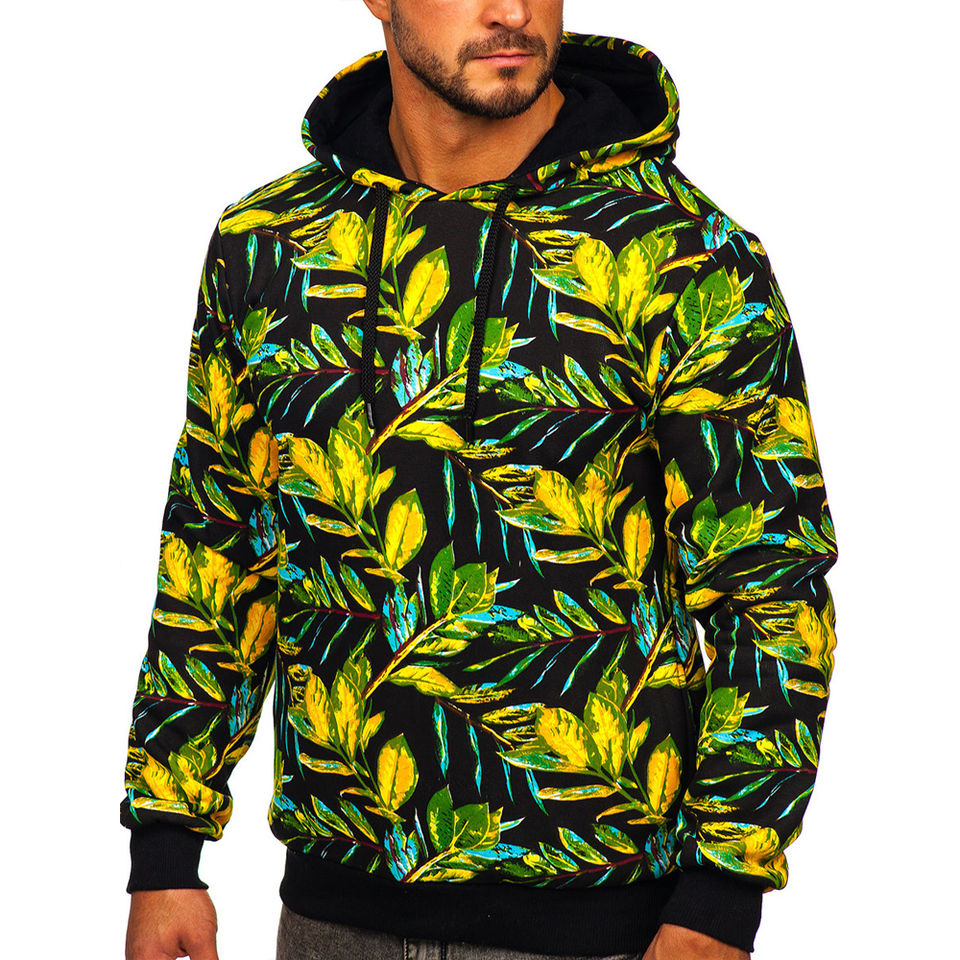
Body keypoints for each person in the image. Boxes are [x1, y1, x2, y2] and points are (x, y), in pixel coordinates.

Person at [121, 2, 839, 959]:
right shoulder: (271, 247)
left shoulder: (680, 256)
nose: (512, 10)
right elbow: (216, 547)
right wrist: (165, 848)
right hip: (331, 913)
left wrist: (723, 897)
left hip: (607, 924)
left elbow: (772, 590)